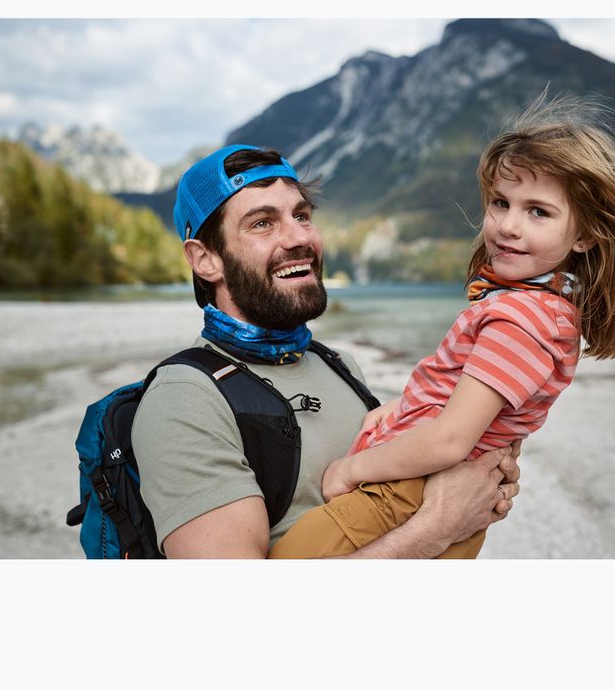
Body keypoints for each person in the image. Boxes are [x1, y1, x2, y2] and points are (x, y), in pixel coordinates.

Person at [268, 96, 615, 559]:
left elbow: (451, 439)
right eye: (500, 203)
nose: (508, 226)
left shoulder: (521, 320)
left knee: (285, 563)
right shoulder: (541, 309)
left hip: (404, 495)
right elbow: (470, 406)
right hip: (420, 489)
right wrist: (404, 408)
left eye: (538, 211)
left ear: (585, 234)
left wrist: (351, 471)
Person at [130, 144, 520, 558]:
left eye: (301, 215)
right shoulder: (184, 400)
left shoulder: (337, 365)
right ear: (205, 259)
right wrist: (438, 527)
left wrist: (473, 472)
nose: (300, 238)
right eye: (262, 223)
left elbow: (376, 507)